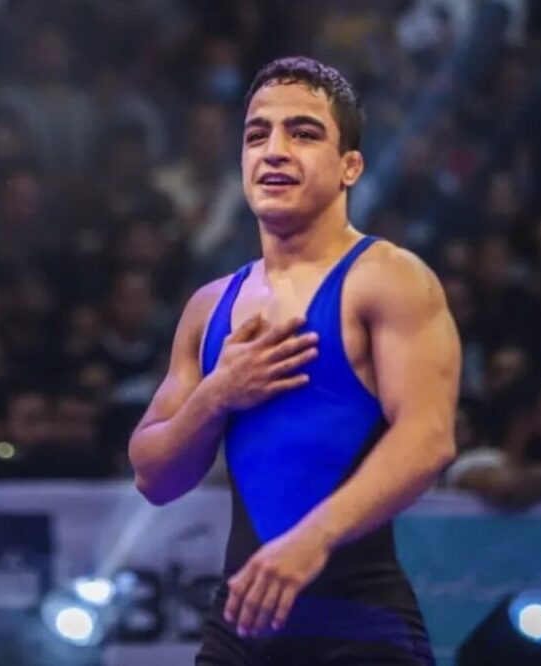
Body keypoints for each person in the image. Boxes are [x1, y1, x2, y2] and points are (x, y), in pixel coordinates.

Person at [128, 57, 460, 665]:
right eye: (258, 135)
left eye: (303, 133)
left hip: (359, 627)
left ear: (350, 166)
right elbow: (154, 478)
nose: (275, 151)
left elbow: (429, 437)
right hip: (239, 630)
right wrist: (216, 395)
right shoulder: (210, 307)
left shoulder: (388, 279)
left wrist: (314, 540)